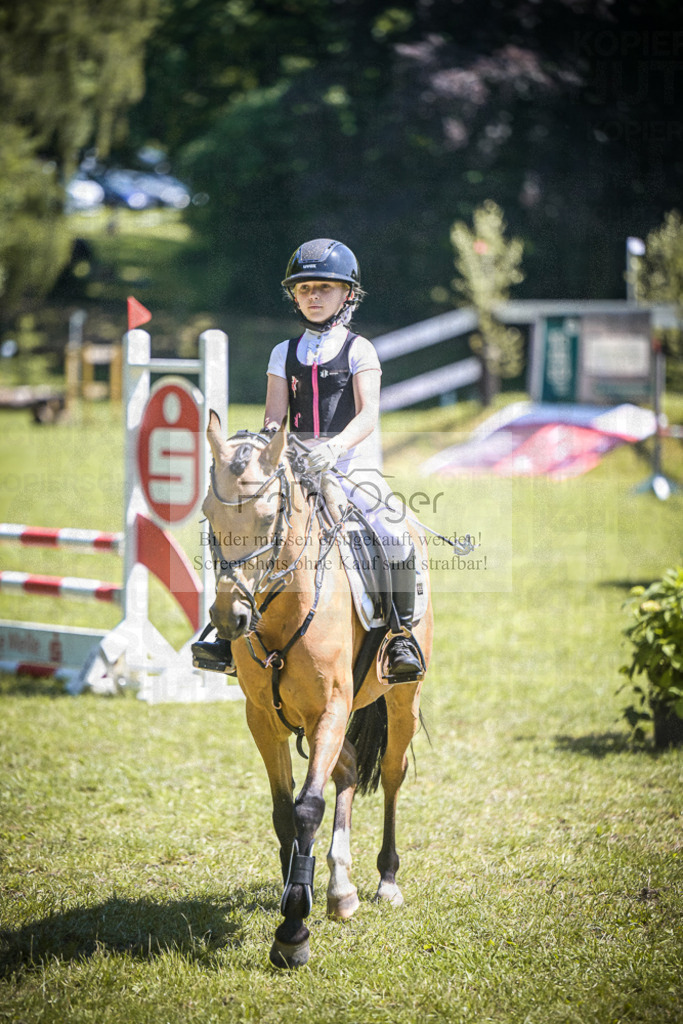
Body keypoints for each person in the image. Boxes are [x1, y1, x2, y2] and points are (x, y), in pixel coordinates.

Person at [262, 238, 423, 682]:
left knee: (393, 531)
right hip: (298, 467)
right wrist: (264, 450)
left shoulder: (359, 350)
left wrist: (334, 447)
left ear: (347, 294)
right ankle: (227, 631)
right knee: (249, 527)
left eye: (324, 288)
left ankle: (400, 635)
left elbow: (369, 413)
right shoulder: (282, 352)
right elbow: (275, 417)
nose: (313, 296)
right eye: (304, 289)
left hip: (353, 466)